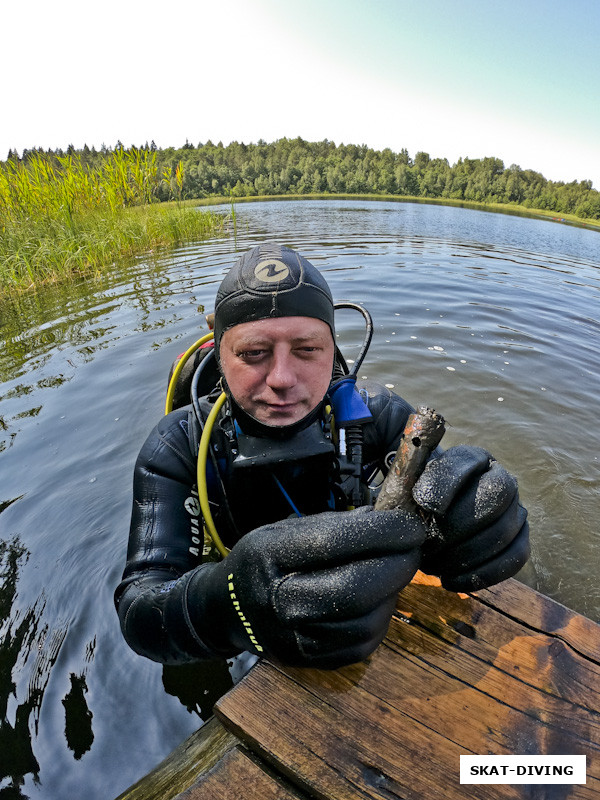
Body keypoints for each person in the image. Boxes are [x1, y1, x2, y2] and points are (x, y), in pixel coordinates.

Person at [114, 242, 529, 670]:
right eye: (253, 353)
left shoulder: (377, 416)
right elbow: (139, 610)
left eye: (307, 349)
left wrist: (482, 525)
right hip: (250, 627)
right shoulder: (178, 444)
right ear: (220, 358)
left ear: (332, 351)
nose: (282, 379)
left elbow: (448, 498)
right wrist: (227, 604)